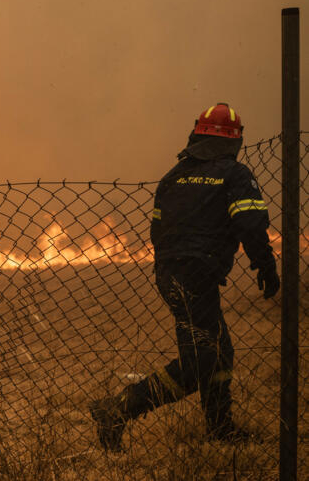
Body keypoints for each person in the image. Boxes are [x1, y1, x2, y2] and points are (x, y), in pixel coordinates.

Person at [90, 103, 280, 451]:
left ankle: (220, 428)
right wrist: (265, 265)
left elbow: (156, 232)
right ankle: (117, 409)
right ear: (235, 141)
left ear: (197, 135)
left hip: (170, 272)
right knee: (199, 362)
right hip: (197, 274)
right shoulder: (235, 175)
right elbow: (251, 224)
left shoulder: (173, 176)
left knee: (219, 350)